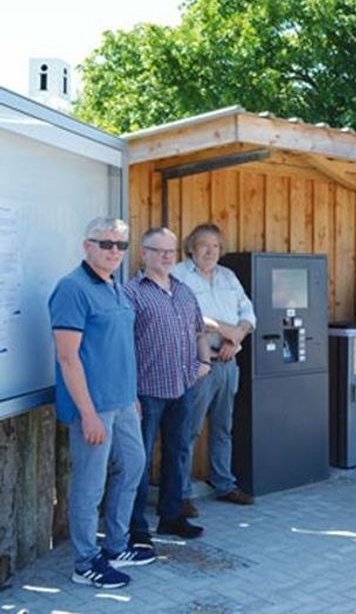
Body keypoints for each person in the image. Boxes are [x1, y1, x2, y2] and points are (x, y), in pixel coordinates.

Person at [48, 217, 155, 589]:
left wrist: (133, 397)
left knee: (134, 465)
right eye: (105, 243)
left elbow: (121, 349)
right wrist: (88, 413)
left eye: (121, 245)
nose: (114, 251)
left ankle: (115, 545)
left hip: (124, 402)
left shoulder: (116, 287)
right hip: (93, 407)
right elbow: (67, 357)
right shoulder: (72, 289)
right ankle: (85, 562)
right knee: (89, 484)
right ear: (87, 246)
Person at [124, 228, 208, 543]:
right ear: (143, 253)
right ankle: (136, 528)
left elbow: (200, 331)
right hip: (145, 392)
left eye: (171, 251)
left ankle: (171, 518)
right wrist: (128, 391)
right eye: (159, 251)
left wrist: (206, 363)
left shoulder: (184, 291)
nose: (167, 256)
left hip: (182, 388)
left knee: (179, 452)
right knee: (139, 460)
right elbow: (122, 346)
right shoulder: (130, 293)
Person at [173, 223, 256, 514]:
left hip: (228, 361)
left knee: (223, 428)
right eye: (204, 245)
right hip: (197, 363)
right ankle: (180, 493)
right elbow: (185, 316)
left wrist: (237, 337)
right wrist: (225, 330)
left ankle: (224, 484)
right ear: (191, 247)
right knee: (188, 429)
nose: (210, 251)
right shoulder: (178, 275)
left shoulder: (228, 276)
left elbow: (248, 313)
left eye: (216, 246)